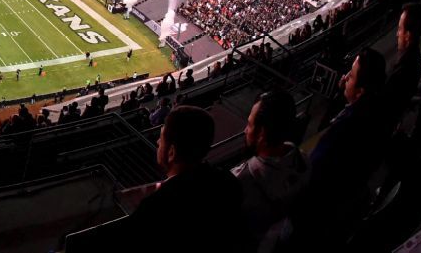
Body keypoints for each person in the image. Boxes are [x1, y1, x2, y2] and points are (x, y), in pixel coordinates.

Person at [291, 48, 388, 247]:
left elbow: (316, 168)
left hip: (314, 216)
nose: (344, 78)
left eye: (351, 76)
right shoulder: (374, 116)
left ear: (361, 91)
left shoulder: (347, 127)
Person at [120, 106, 249, 252]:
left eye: (161, 138)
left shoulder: (156, 207)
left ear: (171, 152)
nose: (157, 142)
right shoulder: (228, 182)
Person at [231, 90, 309, 252]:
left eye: (250, 124)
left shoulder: (239, 181)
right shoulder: (303, 162)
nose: (246, 130)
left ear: (261, 133)